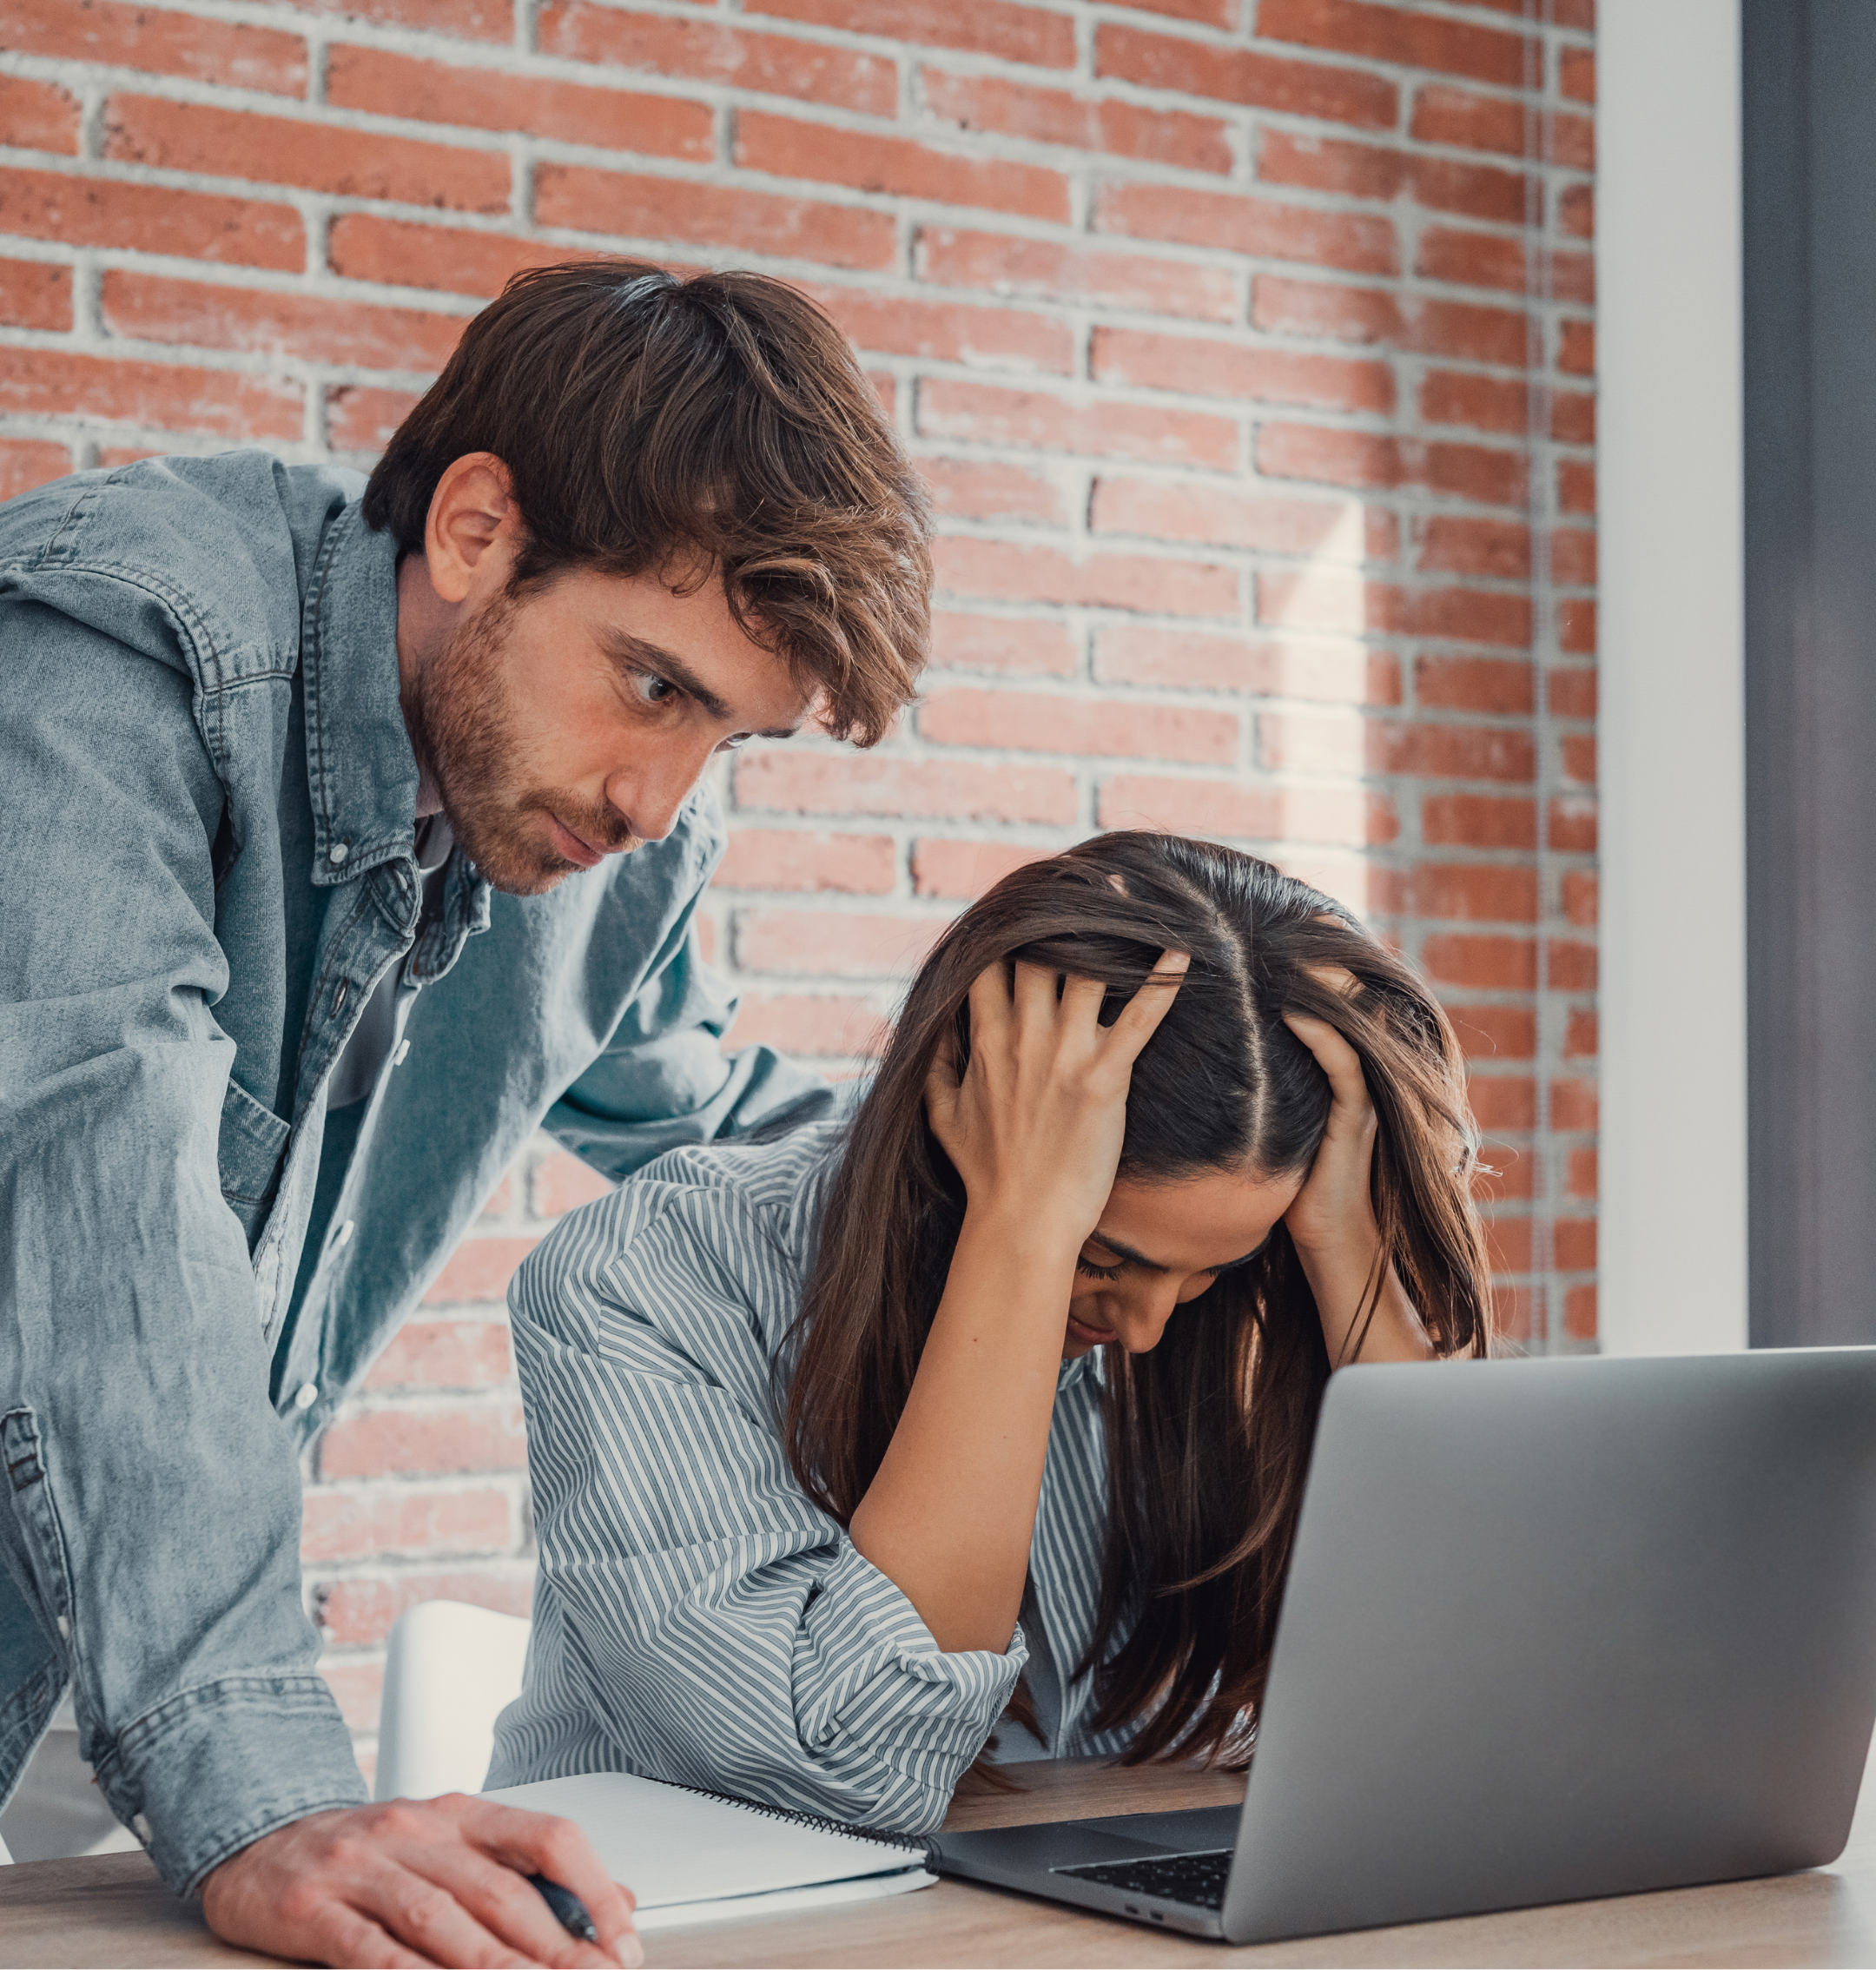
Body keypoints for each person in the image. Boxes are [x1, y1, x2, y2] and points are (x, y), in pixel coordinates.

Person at [0, 258, 931, 1967]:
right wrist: (264, 1791)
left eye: (728, 737)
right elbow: (103, 1192)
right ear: (476, 529)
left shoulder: (594, 832)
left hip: (110, 1629)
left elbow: (715, 1119)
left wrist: (1036, 1166)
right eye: (655, 685)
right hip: (149, 1616)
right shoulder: (110, 645)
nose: (656, 801)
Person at [488, 833, 1495, 1827]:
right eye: (1106, 1259)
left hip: (1052, 1904)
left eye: (1208, 1272)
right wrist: (1023, 1230)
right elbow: (855, 1771)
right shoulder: (646, 1281)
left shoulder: (1251, 1304)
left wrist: (1351, 1258)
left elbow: (1472, 1720)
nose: (1148, 1328)